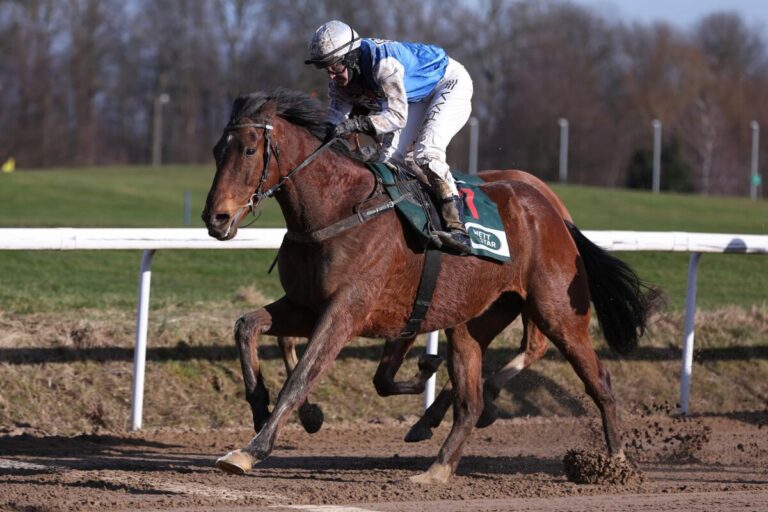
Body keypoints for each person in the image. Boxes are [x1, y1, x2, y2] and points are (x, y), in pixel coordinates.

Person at [305, 20, 474, 253]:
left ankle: (458, 229)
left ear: (351, 57)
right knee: (388, 161)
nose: (330, 75)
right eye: (324, 68)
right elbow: (333, 124)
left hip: (448, 83)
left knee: (427, 154)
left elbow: (396, 117)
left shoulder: (383, 64)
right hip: (415, 96)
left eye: (334, 66)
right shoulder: (339, 83)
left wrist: (358, 123)